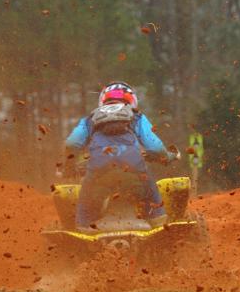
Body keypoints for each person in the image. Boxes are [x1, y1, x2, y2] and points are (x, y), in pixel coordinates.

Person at [65, 82, 174, 231]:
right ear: (132, 100)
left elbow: (72, 143)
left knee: (86, 191)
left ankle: (83, 224)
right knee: (148, 181)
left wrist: (69, 166)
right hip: (133, 172)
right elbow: (154, 147)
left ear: (102, 100)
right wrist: (166, 157)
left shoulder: (90, 120)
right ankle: (157, 220)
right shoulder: (136, 117)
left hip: (99, 174)